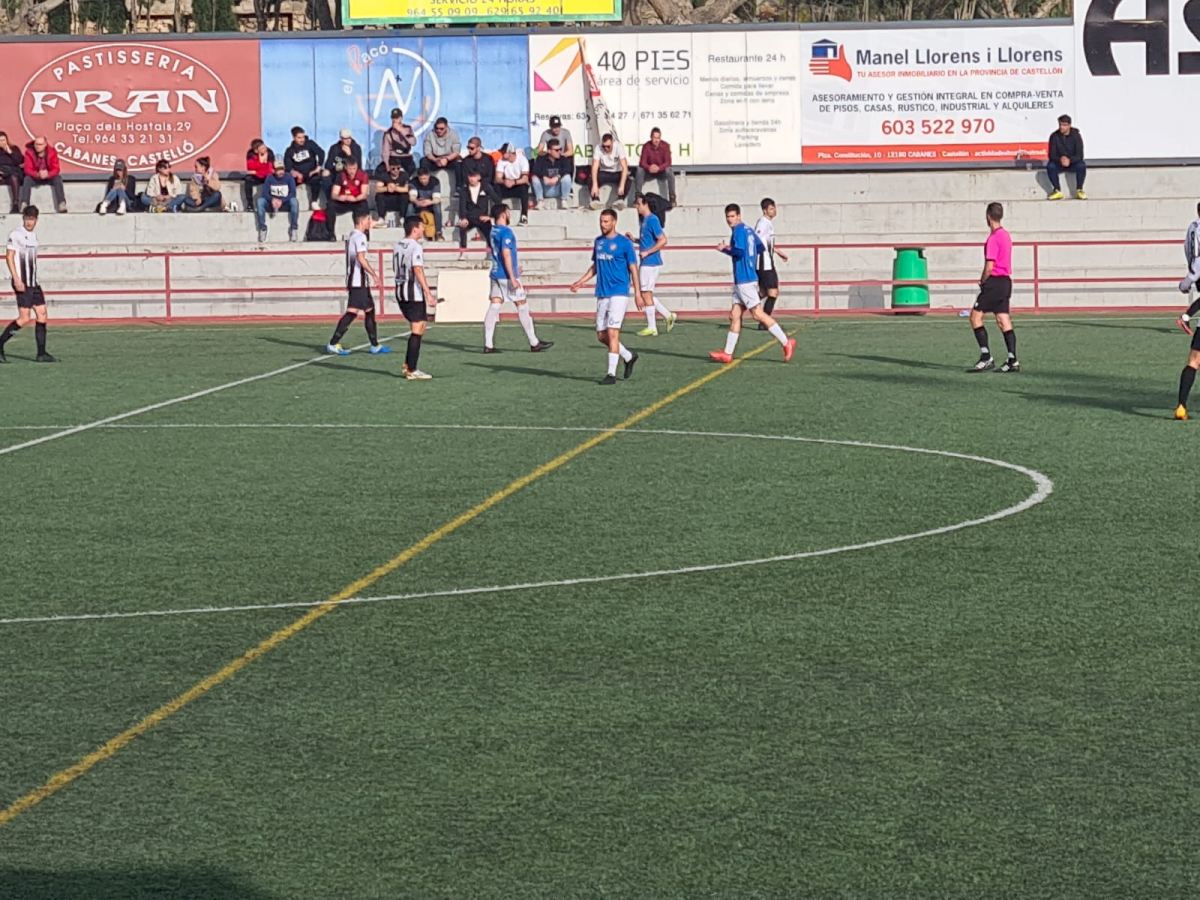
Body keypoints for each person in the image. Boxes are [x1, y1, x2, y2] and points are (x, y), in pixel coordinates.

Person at [709, 203, 796, 364]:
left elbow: (739, 252)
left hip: (745, 280)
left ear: (739, 216)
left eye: (732, 216)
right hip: (743, 279)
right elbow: (760, 248)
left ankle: (786, 342)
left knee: (757, 314)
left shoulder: (738, 231)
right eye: (727, 217)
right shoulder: (749, 230)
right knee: (734, 315)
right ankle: (727, 353)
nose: (730, 220)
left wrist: (724, 249)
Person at [569, 209, 641, 384]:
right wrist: (581, 281)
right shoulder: (599, 242)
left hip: (619, 292)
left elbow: (633, 268)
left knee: (612, 332)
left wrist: (638, 293)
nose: (603, 224)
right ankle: (628, 356)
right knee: (601, 336)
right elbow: (595, 266)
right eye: (601, 221)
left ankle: (611, 374)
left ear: (614, 222)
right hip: (602, 292)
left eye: (606, 221)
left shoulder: (624, 243)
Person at [483, 203, 552, 354]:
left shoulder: (493, 230)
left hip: (495, 273)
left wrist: (514, 268)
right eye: (508, 212)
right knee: (522, 305)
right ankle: (534, 342)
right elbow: (506, 253)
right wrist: (513, 276)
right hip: (506, 275)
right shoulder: (506, 232)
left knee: (494, 305)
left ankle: (488, 344)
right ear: (503, 214)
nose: (510, 215)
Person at [326, 209, 390, 357]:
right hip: (358, 281)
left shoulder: (353, 236)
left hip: (358, 280)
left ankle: (375, 345)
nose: (370, 223)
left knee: (369, 310)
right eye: (368, 220)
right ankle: (333, 343)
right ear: (362, 221)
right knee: (352, 312)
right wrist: (374, 275)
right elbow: (361, 258)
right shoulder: (360, 236)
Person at [968, 201, 1018, 373]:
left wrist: (982, 281)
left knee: (975, 317)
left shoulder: (993, 238)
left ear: (988, 217)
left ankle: (986, 356)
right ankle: (1012, 359)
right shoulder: (1006, 235)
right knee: (1003, 319)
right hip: (1005, 282)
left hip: (994, 282)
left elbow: (990, 266)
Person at [2, 206, 55, 363]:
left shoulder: (33, 237)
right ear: (23, 218)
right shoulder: (16, 234)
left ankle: (41, 353)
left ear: (36, 220)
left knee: (42, 313)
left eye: (32, 219)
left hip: (33, 282)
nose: (29, 222)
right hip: (22, 282)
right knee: (24, 318)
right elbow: (9, 257)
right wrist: (16, 278)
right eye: (27, 218)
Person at [394, 214, 436, 380]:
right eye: (421, 226)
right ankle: (412, 369)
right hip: (413, 293)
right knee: (418, 328)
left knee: (421, 325)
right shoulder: (415, 246)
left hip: (400, 291)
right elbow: (417, 269)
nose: (423, 229)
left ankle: (408, 364)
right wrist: (428, 292)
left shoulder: (398, 245)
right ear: (415, 229)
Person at [629, 193, 675, 336]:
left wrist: (647, 252)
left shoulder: (652, 219)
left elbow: (663, 240)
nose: (636, 207)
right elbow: (648, 240)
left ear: (645, 204)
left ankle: (652, 326)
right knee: (647, 293)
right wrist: (635, 240)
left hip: (651, 262)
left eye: (638, 204)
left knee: (645, 293)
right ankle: (668, 315)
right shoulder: (645, 221)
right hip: (647, 261)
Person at [754, 197, 790, 328]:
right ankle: (764, 321)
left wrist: (778, 252)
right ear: (765, 210)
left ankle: (742, 306)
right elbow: (756, 240)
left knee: (764, 293)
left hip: (768, 262)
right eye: (771, 208)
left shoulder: (768, 223)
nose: (774, 210)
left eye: (774, 208)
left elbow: (766, 243)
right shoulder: (763, 223)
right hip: (764, 264)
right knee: (773, 293)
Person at [457, 168, 496, 261]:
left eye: (474, 176)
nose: (471, 179)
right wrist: (463, 218)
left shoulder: (486, 187)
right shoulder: (464, 190)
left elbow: (497, 200)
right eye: (470, 176)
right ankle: (463, 251)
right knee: (462, 227)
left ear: (479, 177)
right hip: (469, 217)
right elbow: (462, 205)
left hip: (482, 217)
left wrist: (490, 216)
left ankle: (491, 252)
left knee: (489, 230)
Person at [284, 126, 327, 208]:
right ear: (294, 138)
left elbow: (321, 153)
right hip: (298, 175)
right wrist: (295, 173)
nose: (302, 140)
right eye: (299, 138)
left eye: (303, 137)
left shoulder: (310, 144)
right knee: (287, 180)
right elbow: (288, 166)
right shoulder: (289, 150)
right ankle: (289, 203)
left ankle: (314, 202)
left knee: (316, 179)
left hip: (311, 172)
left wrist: (318, 167)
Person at [20, 137, 66, 213]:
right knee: (27, 179)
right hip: (35, 177)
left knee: (58, 178)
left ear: (45, 145)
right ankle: (24, 204)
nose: (37, 146)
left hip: (48, 177)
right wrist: (37, 174)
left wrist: (48, 174)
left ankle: (61, 203)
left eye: (40, 144)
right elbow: (27, 169)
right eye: (36, 144)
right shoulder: (29, 152)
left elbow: (56, 169)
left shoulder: (52, 152)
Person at [255, 161, 299, 242]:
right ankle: (263, 229)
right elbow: (264, 193)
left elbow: (293, 193)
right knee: (260, 201)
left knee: (294, 201)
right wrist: (272, 199)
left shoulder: (289, 177)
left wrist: (282, 200)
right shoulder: (269, 178)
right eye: (278, 170)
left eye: (282, 169)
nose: (280, 172)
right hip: (272, 203)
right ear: (274, 170)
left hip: (285, 203)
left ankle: (294, 229)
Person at [1047, 114, 1086, 201]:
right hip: (1059, 163)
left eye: (1064, 125)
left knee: (1081, 165)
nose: (1062, 127)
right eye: (1060, 124)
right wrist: (1060, 159)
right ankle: (1057, 190)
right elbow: (1051, 155)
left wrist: (1070, 160)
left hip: (1072, 163)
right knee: (1050, 166)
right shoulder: (1054, 136)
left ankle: (1079, 189)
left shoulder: (1076, 136)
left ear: (1069, 125)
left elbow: (1080, 155)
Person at [636, 128, 677, 208]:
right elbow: (642, 162)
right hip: (649, 172)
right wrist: (649, 167)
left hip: (661, 172)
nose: (656, 140)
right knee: (639, 169)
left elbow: (668, 162)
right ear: (651, 137)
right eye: (655, 138)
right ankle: (638, 196)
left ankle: (672, 198)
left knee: (669, 170)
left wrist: (659, 168)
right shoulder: (646, 146)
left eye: (658, 138)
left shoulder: (665, 146)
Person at [1175, 203, 1200, 338]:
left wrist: (1191, 266)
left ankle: (1185, 318)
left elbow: (1187, 247)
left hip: (1195, 266)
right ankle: (1185, 318)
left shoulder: (1192, 226)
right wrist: (1191, 277)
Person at [328, 158, 370, 238]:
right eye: (350, 169)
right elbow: (333, 194)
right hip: (343, 201)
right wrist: (340, 197)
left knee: (364, 205)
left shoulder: (363, 175)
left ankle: (364, 233)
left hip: (356, 200)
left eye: (354, 168)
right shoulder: (341, 175)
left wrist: (355, 199)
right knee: (330, 205)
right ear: (345, 167)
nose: (352, 171)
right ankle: (331, 234)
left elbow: (364, 194)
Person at [589, 133, 629, 211]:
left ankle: (620, 200)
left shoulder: (619, 147)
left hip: (617, 172)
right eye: (604, 146)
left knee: (627, 179)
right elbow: (594, 167)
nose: (606, 148)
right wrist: (595, 184)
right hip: (604, 172)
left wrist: (622, 185)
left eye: (608, 146)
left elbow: (625, 167)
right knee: (591, 179)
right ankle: (595, 200)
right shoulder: (598, 148)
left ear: (613, 142)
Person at [422, 117, 462, 194]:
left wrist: (447, 159)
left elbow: (456, 151)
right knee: (423, 161)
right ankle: (425, 187)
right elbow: (427, 152)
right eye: (437, 128)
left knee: (459, 162)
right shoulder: (430, 135)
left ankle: (459, 188)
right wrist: (435, 160)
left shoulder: (453, 134)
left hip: (449, 159)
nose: (439, 130)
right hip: (435, 159)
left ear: (446, 127)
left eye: (441, 129)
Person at [531, 138, 573, 210]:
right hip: (545, 189)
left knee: (567, 177)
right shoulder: (541, 159)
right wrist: (544, 177)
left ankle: (564, 200)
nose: (559, 152)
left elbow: (568, 169)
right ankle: (540, 201)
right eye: (556, 150)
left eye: (560, 149)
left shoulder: (563, 159)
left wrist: (557, 177)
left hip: (558, 189)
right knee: (534, 178)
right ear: (549, 151)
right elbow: (535, 170)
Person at [494, 144, 530, 225]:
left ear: (510, 152)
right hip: (506, 185)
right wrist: (504, 181)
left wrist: (514, 182)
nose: (502, 154)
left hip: (517, 184)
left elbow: (525, 179)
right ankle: (499, 215)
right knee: (496, 187)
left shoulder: (522, 160)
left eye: (504, 152)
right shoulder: (501, 161)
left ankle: (524, 216)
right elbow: (497, 178)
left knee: (524, 187)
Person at [409, 167, 444, 239]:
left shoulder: (435, 181)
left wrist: (430, 202)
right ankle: (409, 231)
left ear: (428, 176)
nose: (423, 181)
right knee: (410, 206)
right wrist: (417, 202)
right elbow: (412, 197)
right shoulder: (413, 182)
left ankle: (438, 232)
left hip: (430, 204)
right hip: (418, 203)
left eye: (425, 178)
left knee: (437, 207)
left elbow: (437, 198)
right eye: (421, 179)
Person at [373, 161, 410, 226]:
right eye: (393, 169)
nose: (396, 170)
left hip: (398, 200)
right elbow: (377, 189)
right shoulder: (384, 175)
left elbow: (407, 189)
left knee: (405, 195)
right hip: (387, 200)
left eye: (398, 168)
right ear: (389, 168)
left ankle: (402, 218)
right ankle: (381, 218)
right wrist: (387, 188)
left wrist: (395, 188)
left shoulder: (404, 175)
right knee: (379, 195)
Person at [381, 108, 416, 175]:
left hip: (406, 157)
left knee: (411, 168)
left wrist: (401, 130)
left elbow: (413, 142)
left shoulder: (408, 129)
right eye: (393, 118)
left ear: (401, 118)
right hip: (394, 157)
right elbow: (385, 152)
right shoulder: (388, 133)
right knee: (382, 169)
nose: (395, 120)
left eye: (397, 118)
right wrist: (387, 166)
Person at [244, 138, 274, 210]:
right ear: (256, 150)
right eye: (262, 148)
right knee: (248, 179)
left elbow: (270, 170)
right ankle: (250, 204)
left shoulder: (269, 153)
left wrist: (257, 171)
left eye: (264, 147)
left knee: (270, 178)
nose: (265, 149)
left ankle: (270, 203)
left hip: (266, 176)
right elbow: (250, 168)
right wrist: (260, 161)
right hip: (256, 177)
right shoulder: (250, 154)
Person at [0, 132, 23, 214]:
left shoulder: (14, 149)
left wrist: (10, 153)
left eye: (3, 140)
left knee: (14, 177)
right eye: (0, 141)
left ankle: (15, 204)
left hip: (12, 174)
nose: (2, 142)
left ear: (7, 140)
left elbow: (19, 161)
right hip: (1, 175)